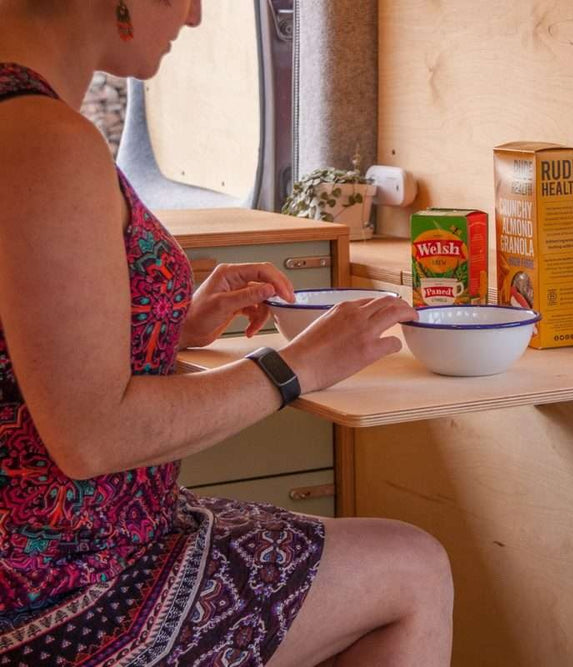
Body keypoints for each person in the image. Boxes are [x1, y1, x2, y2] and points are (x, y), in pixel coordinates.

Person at [0, 1, 453, 665]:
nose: (195, 14)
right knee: (414, 569)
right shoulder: (43, 140)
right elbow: (91, 435)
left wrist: (168, 324)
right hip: (64, 592)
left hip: (72, 552)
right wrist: (297, 365)